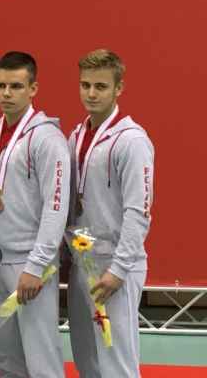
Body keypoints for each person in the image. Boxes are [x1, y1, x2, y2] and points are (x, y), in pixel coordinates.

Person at [0, 51, 70, 378]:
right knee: (5, 357)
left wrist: (37, 265)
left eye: (16, 86)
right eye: (1, 85)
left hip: (30, 263)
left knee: (41, 358)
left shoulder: (48, 139)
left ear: (33, 89)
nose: (6, 93)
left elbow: (56, 207)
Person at [67, 50, 154, 378]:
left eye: (101, 86)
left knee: (117, 363)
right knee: (86, 359)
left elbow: (138, 211)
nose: (91, 93)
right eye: (85, 85)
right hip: (82, 262)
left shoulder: (132, 141)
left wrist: (118, 269)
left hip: (116, 266)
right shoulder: (76, 136)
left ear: (119, 88)